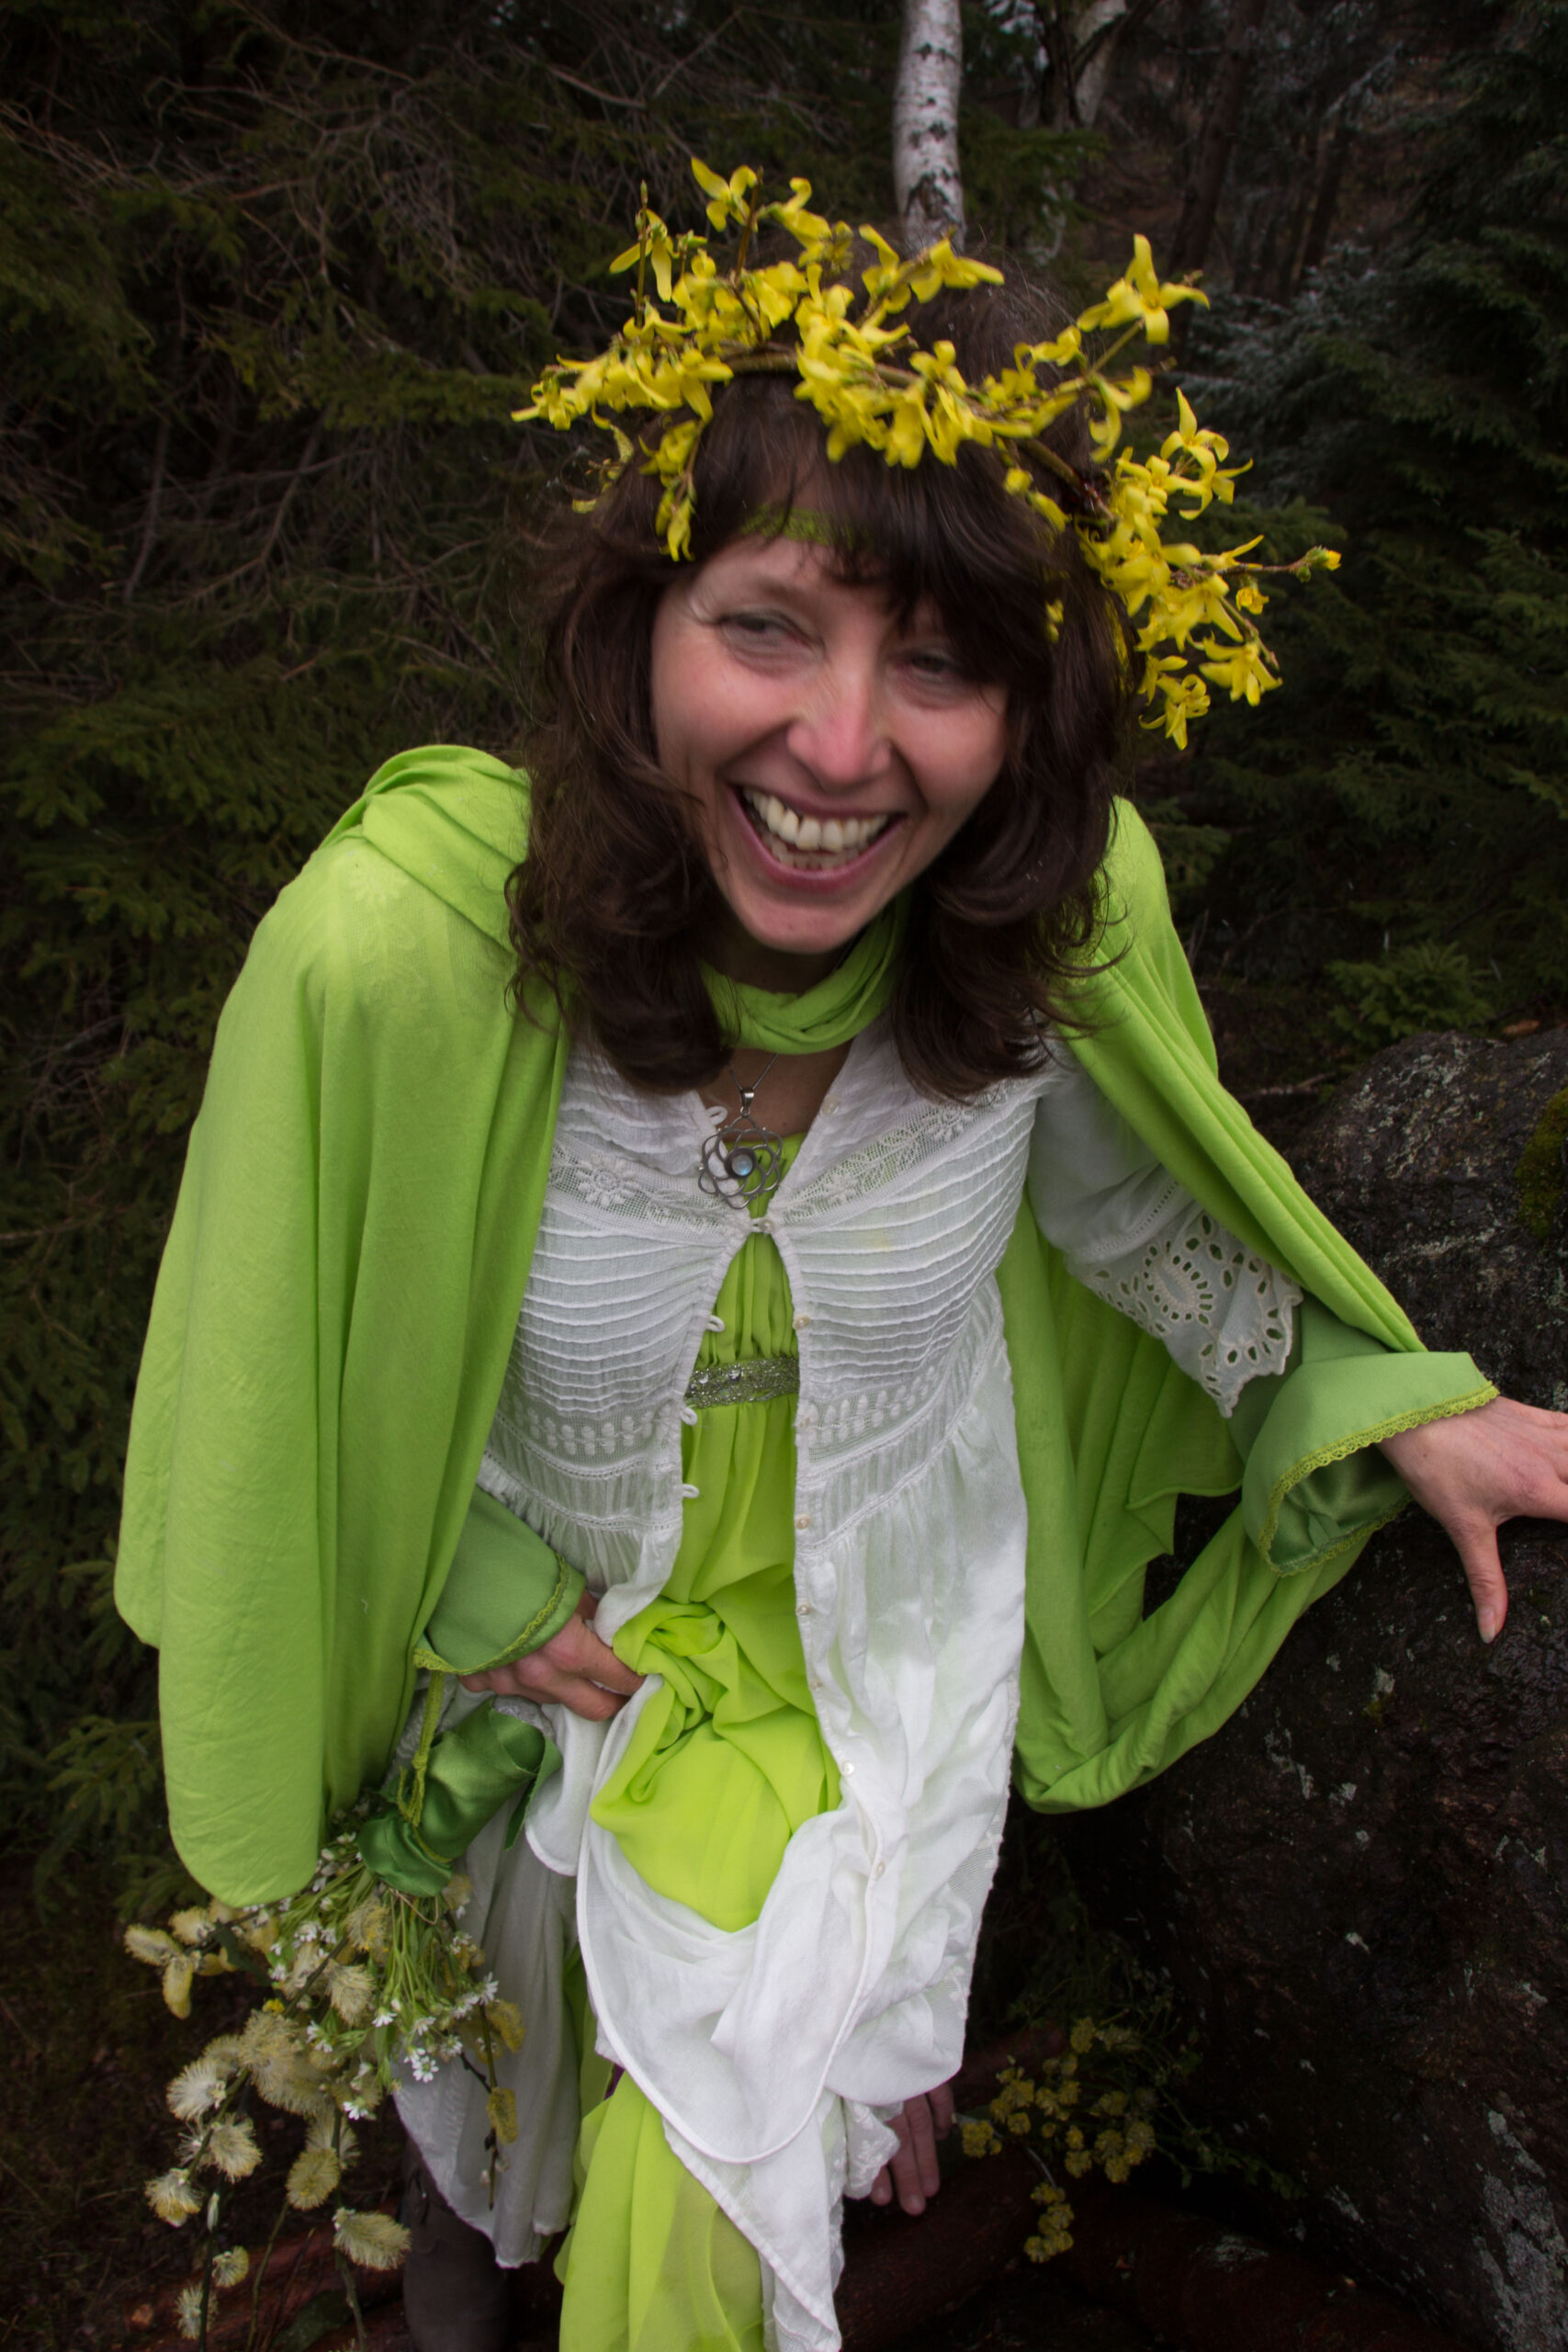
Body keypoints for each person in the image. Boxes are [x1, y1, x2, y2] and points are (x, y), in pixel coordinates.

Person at [116, 182, 1568, 2352]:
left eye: (944, 663)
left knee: (697, 2221)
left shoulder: (1055, 923)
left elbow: (1143, 1220)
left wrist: (1373, 1400)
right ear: (639, 624)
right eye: (768, 626)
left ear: (1030, 709)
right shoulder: (404, 959)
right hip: (528, 1683)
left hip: (859, 1691)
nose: (838, 744)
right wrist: (466, 1588)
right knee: (483, 2150)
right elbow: (276, 1374)